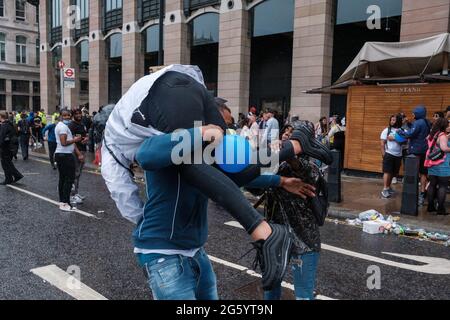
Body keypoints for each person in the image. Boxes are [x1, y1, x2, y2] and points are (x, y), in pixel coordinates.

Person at [101, 65, 333, 295]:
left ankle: (296, 144)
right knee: (189, 157)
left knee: (236, 167)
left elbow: (235, 178)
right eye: (222, 123)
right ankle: (263, 230)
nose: (225, 131)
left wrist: (281, 177)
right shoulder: (165, 143)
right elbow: (145, 156)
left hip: (195, 250)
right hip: (164, 255)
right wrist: (199, 134)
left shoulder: (202, 156)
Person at [398, 106, 431, 206]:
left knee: (413, 173)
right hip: (425, 150)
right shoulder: (426, 122)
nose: (412, 115)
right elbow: (418, 130)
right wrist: (408, 123)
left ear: (418, 113)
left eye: (414, 113)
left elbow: (410, 134)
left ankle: (412, 194)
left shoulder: (418, 123)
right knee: (423, 173)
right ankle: (422, 194)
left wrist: (401, 132)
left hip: (415, 151)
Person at [54, 109, 83, 211]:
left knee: (63, 179)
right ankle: (65, 203)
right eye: (65, 115)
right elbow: (63, 142)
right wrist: (75, 140)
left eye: (68, 115)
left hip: (61, 154)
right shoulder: (62, 127)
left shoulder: (61, 126)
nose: (67, 117)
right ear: (61, 116)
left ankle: (63, 202)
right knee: (69, 179)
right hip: (65, 155)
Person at [424, 118, 450, 215]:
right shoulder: (442, 136)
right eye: (447, 125)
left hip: (432, 163)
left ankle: (430, 207)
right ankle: (441, 209)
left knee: (432, 185)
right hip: (442, 165)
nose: (449, 127)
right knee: (443, 186)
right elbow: (444, 148)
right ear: (443, 126)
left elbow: (434, 142)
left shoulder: (433, 134)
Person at [69, 109, 89, 204]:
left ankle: (76, 193)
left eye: (79, 113)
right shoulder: (71, 125)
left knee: (78, 174)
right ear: (73, 115)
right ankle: (71, 195)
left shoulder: (82, 124)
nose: (79, 115)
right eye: (76, 114)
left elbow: (84, 136)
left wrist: (86, 139)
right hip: (77, 152)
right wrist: (79, 154)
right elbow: (72, 142)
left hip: (83, 149)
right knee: (74, 174)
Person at [380, 115, 403, 199]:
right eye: (391, 120)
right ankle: (385, 189)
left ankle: (388, 187)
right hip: (389, 154)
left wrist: (394, 138)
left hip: (398, 155)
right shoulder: (387, 130)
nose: (392, 121)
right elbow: (382, 143)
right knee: (387, 172)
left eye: (394, 120)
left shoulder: (402, 130)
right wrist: (384, 155)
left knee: (394, 173)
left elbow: (404, 141)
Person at [0, 111, 23, 185]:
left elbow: (1, 137)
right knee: (8, 163)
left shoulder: (4, 125)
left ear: (1, 117)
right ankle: (12, 177)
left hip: (6, 148)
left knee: (5, 163)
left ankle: (12, 177)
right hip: (11, 147)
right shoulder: (10, 124)